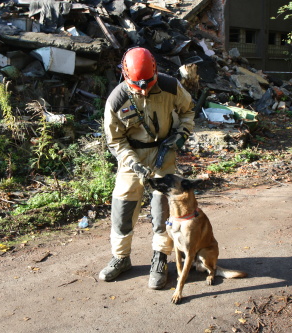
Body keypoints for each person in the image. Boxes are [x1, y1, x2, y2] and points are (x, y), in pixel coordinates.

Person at [99, 47, 195, 289]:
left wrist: (181, 135)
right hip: (132, 156)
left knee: (162, 207)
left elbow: (188, 111)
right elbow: (115, 140)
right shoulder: (117, 99)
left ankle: (160, 258)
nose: (143, 90)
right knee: (123, 206)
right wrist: (132, 162)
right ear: (125, 74)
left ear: (156, 72)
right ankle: (121, 258)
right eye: (137, 85)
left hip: (164, 152)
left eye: (149, 84)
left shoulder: (171, 87)